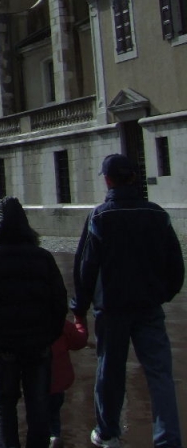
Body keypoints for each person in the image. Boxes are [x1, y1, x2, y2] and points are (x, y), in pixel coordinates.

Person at [70, 153, 184, 448]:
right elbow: (176, 265)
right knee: (160, 375)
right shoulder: (158, 215)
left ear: (108, 180)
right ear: (135, 177)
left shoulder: (99, 216)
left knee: (110, 371)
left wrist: (80, 310)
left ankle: (109, 433)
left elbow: (85, 268)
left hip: (112, 308)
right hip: (149, 307)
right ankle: (168, 439)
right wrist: (160, 294)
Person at [0, 197, 68, 448]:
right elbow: (59, 303)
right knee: (39, 406)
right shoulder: (42, 258)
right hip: (38, 346)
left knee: (6, 408)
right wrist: (49, 336)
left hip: (5, 348)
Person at [48, 313, 89, 448]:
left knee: (37, 415)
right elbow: (80, 340)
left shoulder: (28, 323)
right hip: (57, 384)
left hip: (34, 382)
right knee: (53, 414)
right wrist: (79, 320)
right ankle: (54, 436)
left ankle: (46, 437)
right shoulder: (61, 324)